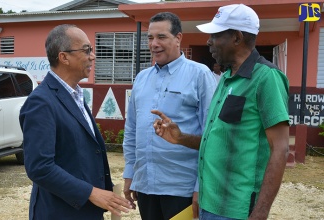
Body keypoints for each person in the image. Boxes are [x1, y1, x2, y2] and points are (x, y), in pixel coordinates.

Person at [152, 4, 289, 220]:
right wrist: (181, 138)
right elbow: (218, 140)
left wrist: (261, 212)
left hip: (238, 210)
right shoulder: (225, 78)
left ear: (236, 37)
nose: (208, 41)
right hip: (209, 204)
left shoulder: (267, 78)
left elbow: (280, 149)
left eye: (215, 35)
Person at [19, 24, 132, 220]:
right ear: (64, 57)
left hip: (84, 210)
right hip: (60, 212)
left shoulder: (75, 95)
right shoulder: (41, 102)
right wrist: (91, 193)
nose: (93, 56)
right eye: (86, 50)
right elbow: (40, 167)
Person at [122, 12, 217, 220]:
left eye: (161, 37)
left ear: (178, 38)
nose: (154, 43)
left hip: (181, 189)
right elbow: (131, 131)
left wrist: (201, 187)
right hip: (145, 186)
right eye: (150, 38)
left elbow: (212, 137)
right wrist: (130, 174)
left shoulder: (200, 75)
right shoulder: (141, 79)